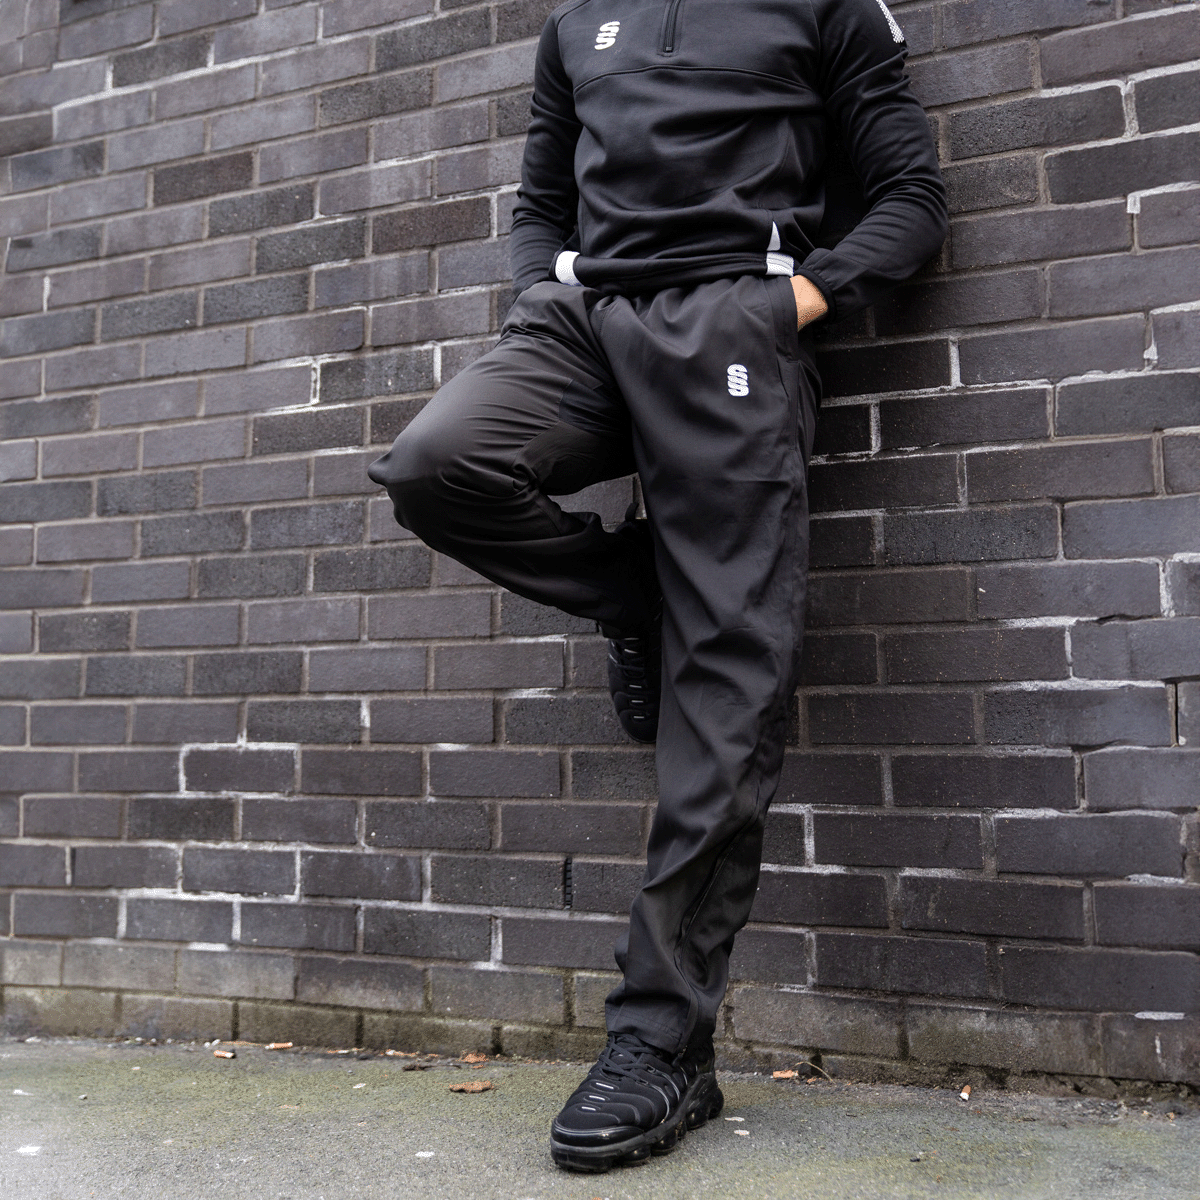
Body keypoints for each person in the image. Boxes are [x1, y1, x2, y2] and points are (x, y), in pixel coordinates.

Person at [368, 0, 947, 1174]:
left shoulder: (825, 7)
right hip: (583, 323)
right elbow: (540, 204)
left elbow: (912, 200)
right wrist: (541, 295)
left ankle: (664, 1044)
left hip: (731, 324)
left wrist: (790, 303)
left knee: (724, 693)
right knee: (438, 467)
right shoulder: (580, 23)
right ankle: (639, 593)